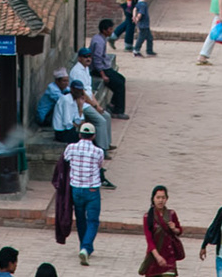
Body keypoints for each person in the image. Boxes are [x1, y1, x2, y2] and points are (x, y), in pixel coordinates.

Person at [63, 124, 109, 265]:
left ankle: (84, 246)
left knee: (81, 219)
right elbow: (100, 165)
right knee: (93, 220)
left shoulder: (71, 148)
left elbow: (65, 160)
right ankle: (86, 247)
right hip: (92, 189)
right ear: (94, 136)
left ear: (80, 135)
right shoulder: (98, 151)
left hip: (76, 189)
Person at [140, 185, 184, 277]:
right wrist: (158, 257)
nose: (160, 200)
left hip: (169, 257)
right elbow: (149, 240)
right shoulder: (148, 217)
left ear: (167, 199)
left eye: (163, 198)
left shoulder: (171, 214)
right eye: (158, 197)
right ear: (153, 199)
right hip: (154, 257)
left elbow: (179, 231)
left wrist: (174, 229)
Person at [90, 20, 129, 117]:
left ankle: (112, 104)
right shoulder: (98, 42)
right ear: (104, 30)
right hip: (99, 70)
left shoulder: (101, 38)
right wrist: (103, 75)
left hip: (105, 67)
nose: (112, 31)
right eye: (110, 29)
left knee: (121, 79)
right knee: (119, 85)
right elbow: (97, 60)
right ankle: (118, 111)